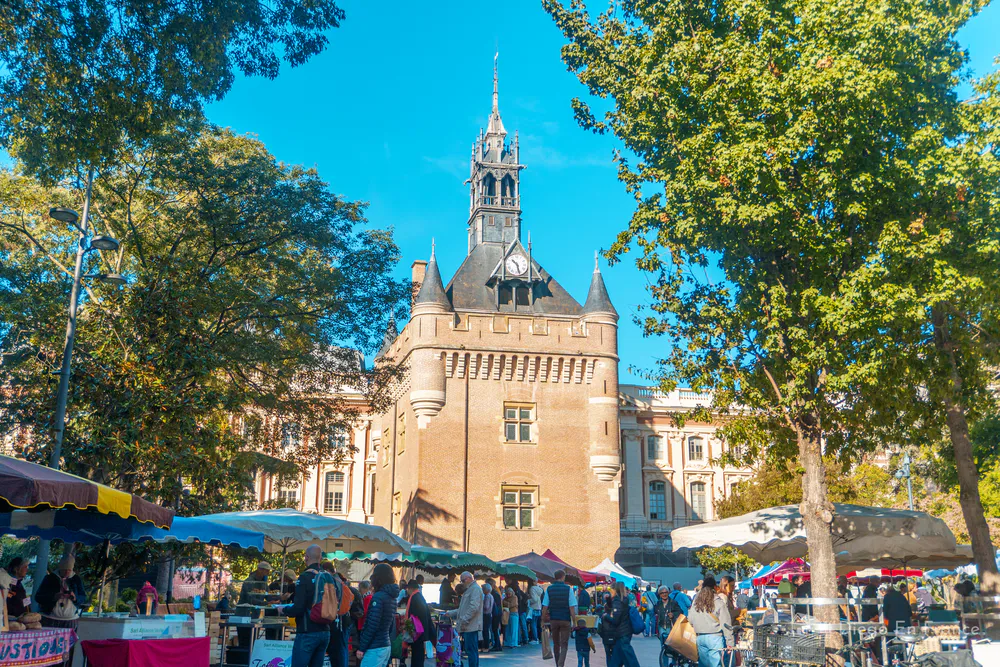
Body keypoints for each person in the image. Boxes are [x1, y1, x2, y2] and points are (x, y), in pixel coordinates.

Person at [280, 545, 332, 667]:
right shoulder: (327, 577)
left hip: (307, 631)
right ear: (320, 558)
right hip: (325, 631)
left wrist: (284, 609)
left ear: (306, 557)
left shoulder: (305, 577)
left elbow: (298, 608)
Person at [356, 563, 399, 667]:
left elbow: (371, 625)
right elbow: (390, 625)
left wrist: (362, 647)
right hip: (385, 645)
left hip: (375, 647)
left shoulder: (378, 597)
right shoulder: (391, 597)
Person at [686, 576, 733, 667]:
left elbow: (690, 620)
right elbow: (726, 624)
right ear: (714, 587)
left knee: (703, 665)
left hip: (700, 637)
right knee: (716, 664)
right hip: (715, 637)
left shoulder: (696, 602)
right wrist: (730, 642)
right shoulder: (718, 602)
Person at [36, 554, 88, 629]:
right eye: (64, 570)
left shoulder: (76, 579)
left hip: (70, 619)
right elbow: (38, 597)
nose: (67, 572)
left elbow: (83, 597)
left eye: (69, 570)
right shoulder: (49, 578)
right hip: (50, 617)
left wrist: (75, 598)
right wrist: (54, 597)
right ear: (60, 568)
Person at [542, 569, 578, 667]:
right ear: (563, 577)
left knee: (556, 643)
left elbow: (545, 606)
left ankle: (557, 663)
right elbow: (572, 607)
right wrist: (574, 621)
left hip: (553, 619)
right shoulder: (568, 589)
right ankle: (560, 664)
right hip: (565, 619)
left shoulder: (549, 589)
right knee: (564, 644)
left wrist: (542, 620)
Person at [449, 572, 483, 667]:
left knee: (471, 651)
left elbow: (473, 608)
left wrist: (464, 619)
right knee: (471, 650)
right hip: (468, 625)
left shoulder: (475, 589)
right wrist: (451, 613)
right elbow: (463, 608)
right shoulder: (470, 589)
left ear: (468, 579)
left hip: (471, 626)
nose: (462, 583)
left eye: (463, 581)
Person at [601, 581, 639, 667]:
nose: (610, 591)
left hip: (622, 633)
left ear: (615, 590)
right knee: (618, 659)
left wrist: (606, 616)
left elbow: (616, 619)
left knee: (629, 658)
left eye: (611, 590)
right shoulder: (623, 599)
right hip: (623, 632)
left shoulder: (618, 601)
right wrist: (609, 600)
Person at [406, 579, 435, 667]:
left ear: (410, 589)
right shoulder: (419, 596)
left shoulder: (414, 597)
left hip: (417, 632)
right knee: (418, 653)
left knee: (417, 654)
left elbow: (413, 616)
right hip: (421, 631)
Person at [529, 579, 544, 644]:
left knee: (533, 624)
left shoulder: (532, 588)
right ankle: (539, 638)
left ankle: (535, 639)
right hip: (539, 607)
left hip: (533, 608)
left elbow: (534, 599)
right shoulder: (539, 589)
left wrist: (529, 600)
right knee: (537, 624)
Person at [481, 583, 495, 651]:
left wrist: (481, 604)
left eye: (483, 589)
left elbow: (486, 607)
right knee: (486, 631)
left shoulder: (487, 596)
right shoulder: (491, 596)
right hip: (489, 615)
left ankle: (486, 646)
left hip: (486, 615)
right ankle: (486, 646)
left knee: (485, 631)